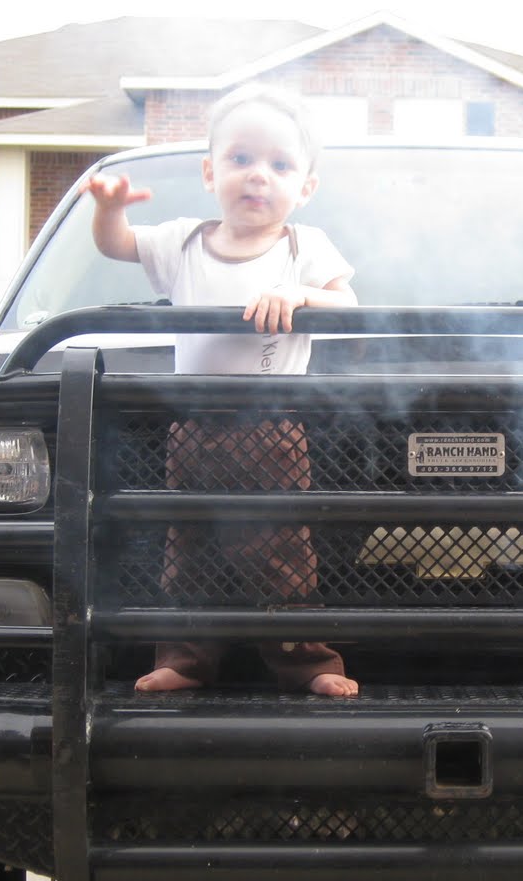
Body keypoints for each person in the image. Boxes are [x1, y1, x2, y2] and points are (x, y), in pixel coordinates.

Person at [85, 83, 359, 697]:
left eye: (280, 164)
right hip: (193, 426)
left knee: (283, 558)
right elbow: (116, 244)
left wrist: (299, 294)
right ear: (211, 172)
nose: (258, 175)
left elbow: (348, 303)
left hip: (273, 429)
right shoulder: (182, 242)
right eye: (241, 159)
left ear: (305, 187)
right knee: (188, 553)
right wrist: (108, 208)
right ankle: (185, 664)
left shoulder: (303, 247)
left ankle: (309, 665)